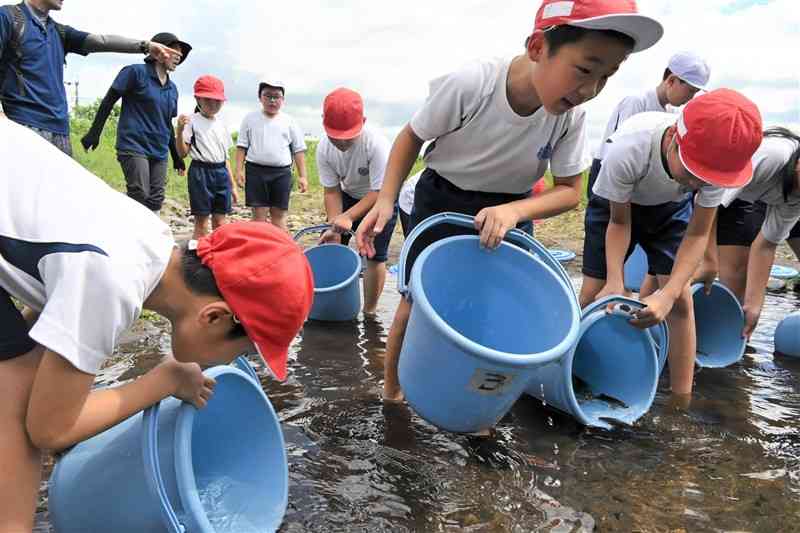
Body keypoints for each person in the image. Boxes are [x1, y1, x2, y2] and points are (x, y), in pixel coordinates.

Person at [0, 118, 314, 532]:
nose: (234, 361)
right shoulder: (112, 282)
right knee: (20, 384)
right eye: (242, 351)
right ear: (214, 316)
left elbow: (48, 304)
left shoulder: (149, 238)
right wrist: (161, 382)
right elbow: (49, 429)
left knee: (24, 366)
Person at [355, 0, 664, 402]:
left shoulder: (570, 117)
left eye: (606, 76)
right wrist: (386, 200)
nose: (589, 90)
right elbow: (412, 136)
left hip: (512, 208)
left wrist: (515, 211)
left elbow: (570, 190)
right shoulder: (474, 83)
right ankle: (392, 395)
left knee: (495, 307)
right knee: (416, 301)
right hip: (443, 197)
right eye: (585, 69)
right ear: (538, 48)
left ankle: (476, 409)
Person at [579, 89, 762, 399]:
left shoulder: (716, 170)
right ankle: (571, 366)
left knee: (680, 304)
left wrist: (669, 293)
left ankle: (681, 400)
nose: (697, 184)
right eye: (693, 173)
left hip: (671, 210)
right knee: (594, 291)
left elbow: (697, 234)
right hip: (618, 207)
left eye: (708, 179)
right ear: (675, 139)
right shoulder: (630, 148)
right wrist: (615, 280)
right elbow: (620, 222)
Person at [0, 0, 182, 156]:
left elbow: (100, 41)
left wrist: (146, 46)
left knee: (56, 195)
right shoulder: (9, 18)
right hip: (23, 124)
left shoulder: (59, 32)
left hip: (60, 130)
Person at [698, 127, 800, 338]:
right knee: (689, 268)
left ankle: (727, 351)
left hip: (750, 197)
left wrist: (755, 304)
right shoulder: (773, 155)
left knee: (740, 301)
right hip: (710, 187)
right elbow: (709, 203)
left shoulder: (796, 198)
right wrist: (708, 261)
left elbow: (766, 244)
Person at [81, 32, 189, 214]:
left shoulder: (173, 89)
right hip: (134, 145)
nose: (178, 57)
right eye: (174, 52)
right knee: (139, 193)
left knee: (156, 199)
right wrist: (94, 132)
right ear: (160, 50)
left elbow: (167, 123)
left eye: (180, 54)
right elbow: (108, 101)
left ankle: (147, 238)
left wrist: (176, 157)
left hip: (159, 151)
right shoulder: (135, 72)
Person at [585, 50, 710, 200]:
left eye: (695, 93)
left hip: (644, 178)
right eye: (689, 91)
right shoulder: (636, 102)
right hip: (611, 171)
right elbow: (621, 151)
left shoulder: (674, 113)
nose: (690, 98)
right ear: (671, 80)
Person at [316, 88, 396, 316]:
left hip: (381, 199)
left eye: (348, 136)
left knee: (372, 254)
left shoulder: (376, 144)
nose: (341, 143)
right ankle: (335, 304)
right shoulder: (323, 149)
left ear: (363, 122)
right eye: (335, 136)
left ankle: (369, 312)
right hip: (348, 194)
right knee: (332, 246)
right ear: (323, 124)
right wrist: (335, 224)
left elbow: (379, 192)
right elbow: (331, 191)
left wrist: (349, 217)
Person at [235, 80, 308, 231]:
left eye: (277, 97)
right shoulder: (250, 119)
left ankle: (281, 251)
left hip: (281, 173)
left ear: (283, 99)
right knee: (258, 217)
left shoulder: (289, 121)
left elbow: (298, 150)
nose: (272, 100)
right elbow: (241, 146)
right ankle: (258, 251)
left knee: (279, 216)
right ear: (260, 97)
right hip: (256, 171)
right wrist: (239, 170)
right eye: (268, 96)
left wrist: (303, 176)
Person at [176, 75, 238, 239]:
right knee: (202, 222)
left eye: (217, 101)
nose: (213, 104)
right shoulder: (191, 121)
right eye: (208, 100)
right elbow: (183, 153)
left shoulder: (222, 123)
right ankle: (199, 258)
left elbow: (226, 158)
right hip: (200, 172)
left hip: (220, 173)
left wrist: (232, 185)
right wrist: (180, 131)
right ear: (198, 98)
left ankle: (219, 257)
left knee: (221, 221)